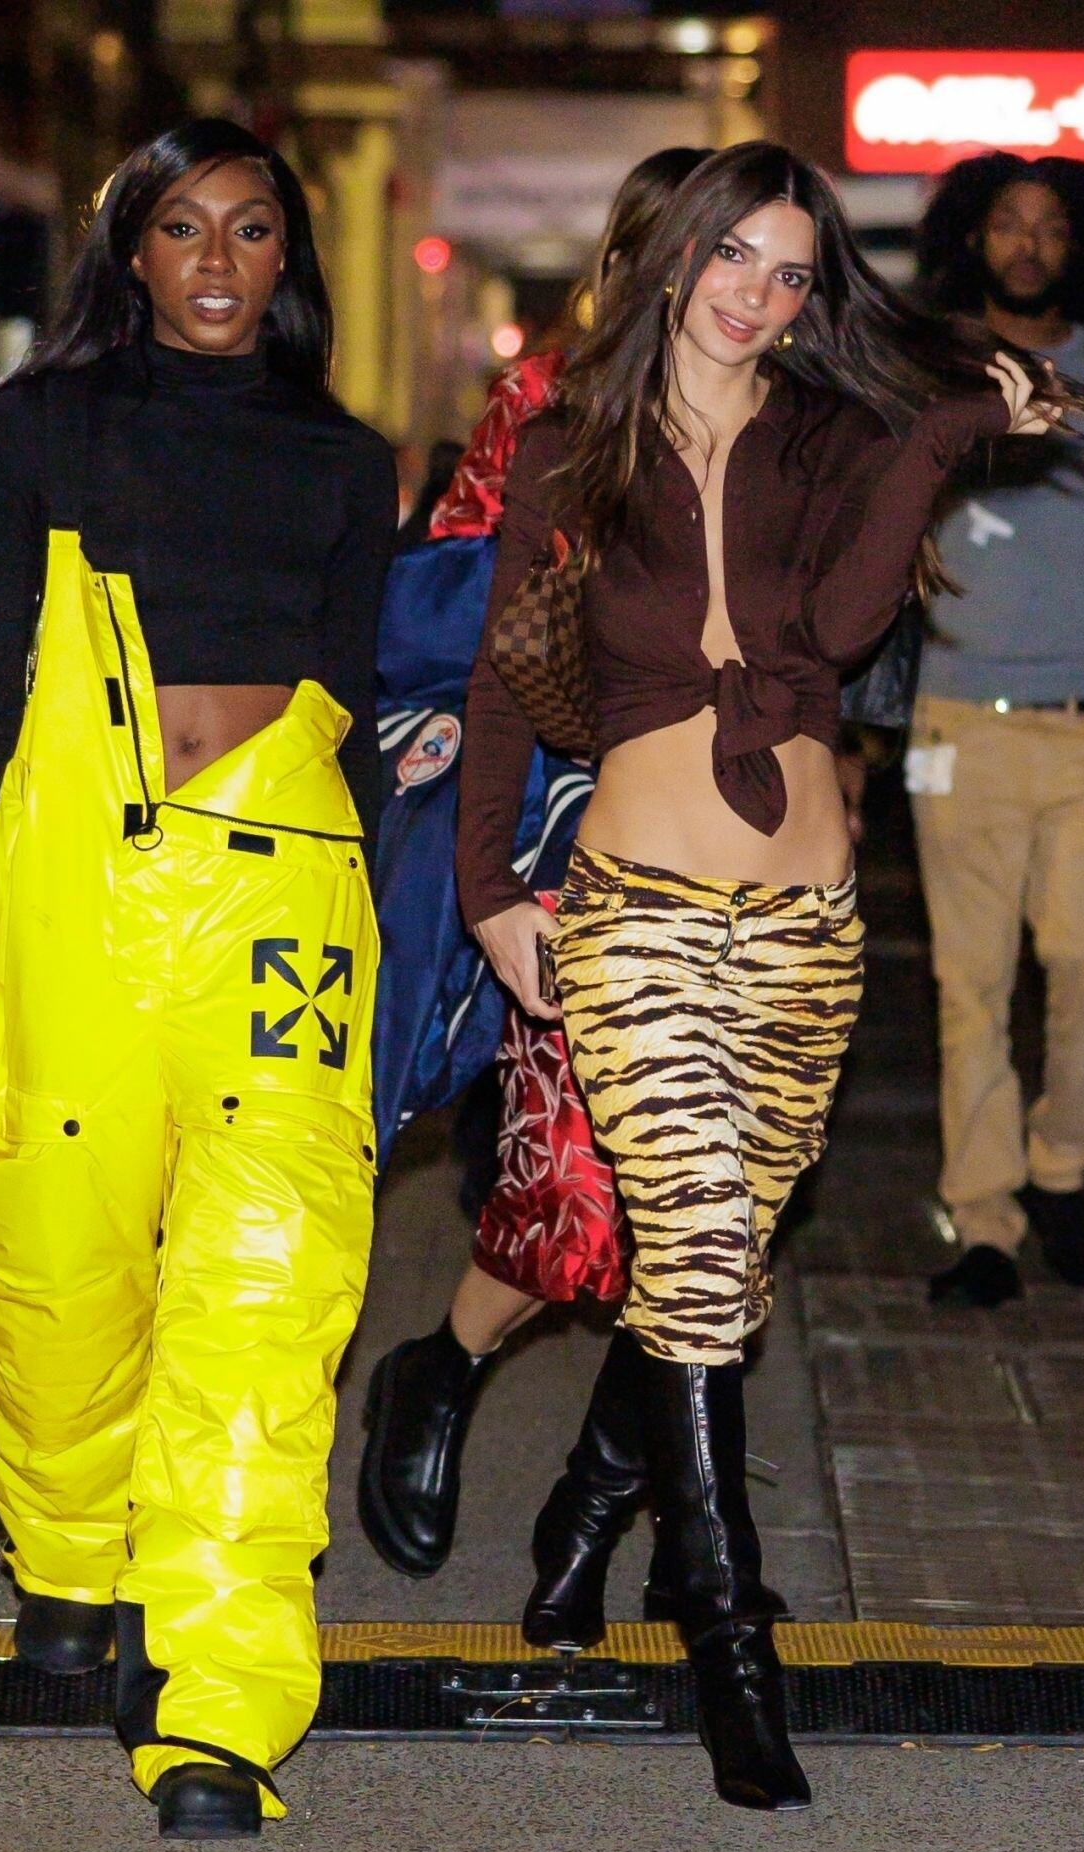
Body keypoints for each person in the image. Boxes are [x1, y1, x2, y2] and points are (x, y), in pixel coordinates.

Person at [457, 141, 1072, 1811]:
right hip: (638, 909)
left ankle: (588, 1508)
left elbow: (848, 631)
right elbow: (506, 680)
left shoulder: (827, 432)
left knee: (715, 1267)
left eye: (793, 272)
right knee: (704, 1251)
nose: (760, 293)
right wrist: (490, 888)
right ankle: (728, 1638)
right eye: (736, 255)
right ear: (674, 253)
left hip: (810, 923)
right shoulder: (575, 442)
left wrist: (936, 437)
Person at [0, 120, 396, 1837]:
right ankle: (70, 1551)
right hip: (71, 897)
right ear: (131, 251)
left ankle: (217, 1706)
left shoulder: (347, 459)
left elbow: (347, 715)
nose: (216, 262)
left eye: (251, 230)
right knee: (53, 1267)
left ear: (288, 259)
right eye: (182, 227)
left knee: (266, 1294)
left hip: (280, 909)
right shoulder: (39, 425)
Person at [359, 149, 709, 1591]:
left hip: (741, 853)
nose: (714, 288)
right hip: (575, 837)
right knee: (578, 1186)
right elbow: (450, 612)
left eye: (748, 258)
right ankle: (443, 1371)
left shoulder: (797, 423)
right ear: (626, 269)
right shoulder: (552, 406)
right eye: (682, 255)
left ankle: (642, 1517)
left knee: (705, 1208)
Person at [911, 153, 1084, 1308]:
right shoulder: (930, 363)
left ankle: (1059, 1173)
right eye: (1006, 223)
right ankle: (984, 1219)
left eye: (1049, 227)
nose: (1027, 244)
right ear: (970, 235)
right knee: (968, 984)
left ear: (1077, 243)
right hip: (951, 718)